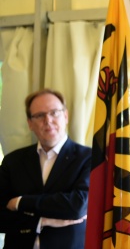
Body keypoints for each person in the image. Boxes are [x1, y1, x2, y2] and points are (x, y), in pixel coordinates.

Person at [0, 88, 91, 249]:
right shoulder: (12, 161)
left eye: (54, 112)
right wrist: (42, 221)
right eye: (39, 115)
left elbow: (77, 206)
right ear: (30, 123)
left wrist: (21, 202)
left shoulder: (88, 158)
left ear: (66, 116)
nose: (48, 120)